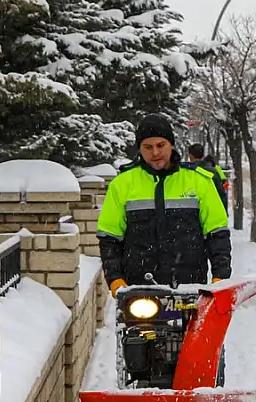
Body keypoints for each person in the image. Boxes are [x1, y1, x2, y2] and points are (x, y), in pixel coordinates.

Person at [98, 114, 232, 296]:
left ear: (172, 144)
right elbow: (109, 238)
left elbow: (217, 234)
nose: (155, 153)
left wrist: (220, 277)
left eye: (161, 145)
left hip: (190, 288)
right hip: (138, 291)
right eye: (148, 147)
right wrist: (115, 280)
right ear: (139, 149)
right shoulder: (122, 184)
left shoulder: (199, 181)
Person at [184, 142, 230, 210]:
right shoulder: (214, 171)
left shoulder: (186, 172)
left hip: (192, 212)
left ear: (190, 156)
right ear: (203, 156)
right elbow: (222, 194)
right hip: (211, 210)